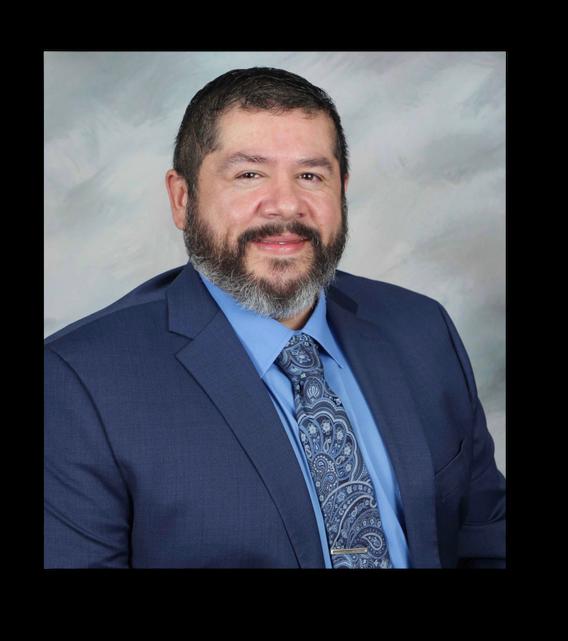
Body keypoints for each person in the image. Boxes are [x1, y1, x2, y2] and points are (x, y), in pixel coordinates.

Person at [44, 66, 506, 569]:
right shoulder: (79, 383)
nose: (286, 205)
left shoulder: (421, 328)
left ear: (341, 190)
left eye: (311, 176)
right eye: (249, 175)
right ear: (182, 198)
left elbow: (487, 538)